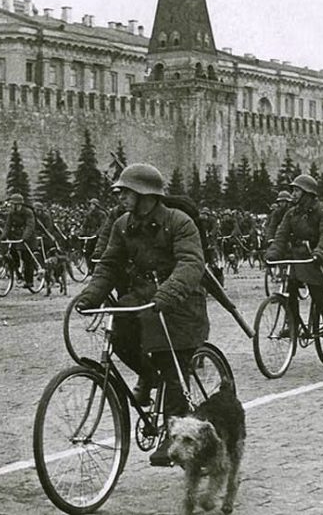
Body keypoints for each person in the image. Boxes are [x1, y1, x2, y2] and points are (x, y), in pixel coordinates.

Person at [74, 163, 209, 466]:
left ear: (145, 195)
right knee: (119, 334)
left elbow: (191, 264)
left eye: (126, 192)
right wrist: (90, 295)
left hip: (181, 304)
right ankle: (149, 376)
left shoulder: (179, 222)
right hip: (143, 297)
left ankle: (173, 438)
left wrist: (169, 294)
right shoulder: (123, 224)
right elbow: (108, 265)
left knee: (170, 362)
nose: (120, 197)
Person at [265, 174, 323, 338]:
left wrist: (320, 253)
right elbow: (281, 236)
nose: (293, 194)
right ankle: (293, 324)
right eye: (293, 190)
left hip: (320, 258)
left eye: (297, 190)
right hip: (299, 258)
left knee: (316, 288)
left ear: (308, 193)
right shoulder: (291, 214)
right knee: (290, 288)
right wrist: (272, 254)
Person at [3, 193, 36, 288]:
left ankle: (29, 281)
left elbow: (30, 226)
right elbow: (7, 225)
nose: (11, 206)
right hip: (16, 236)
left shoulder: (28, 212)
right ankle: (17, 272)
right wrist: (4, 236)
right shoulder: (11, 213)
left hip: (28, 237)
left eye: (13, 204)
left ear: (19, 204)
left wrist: (25, 237)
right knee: (12, 253)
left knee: (27, 258)